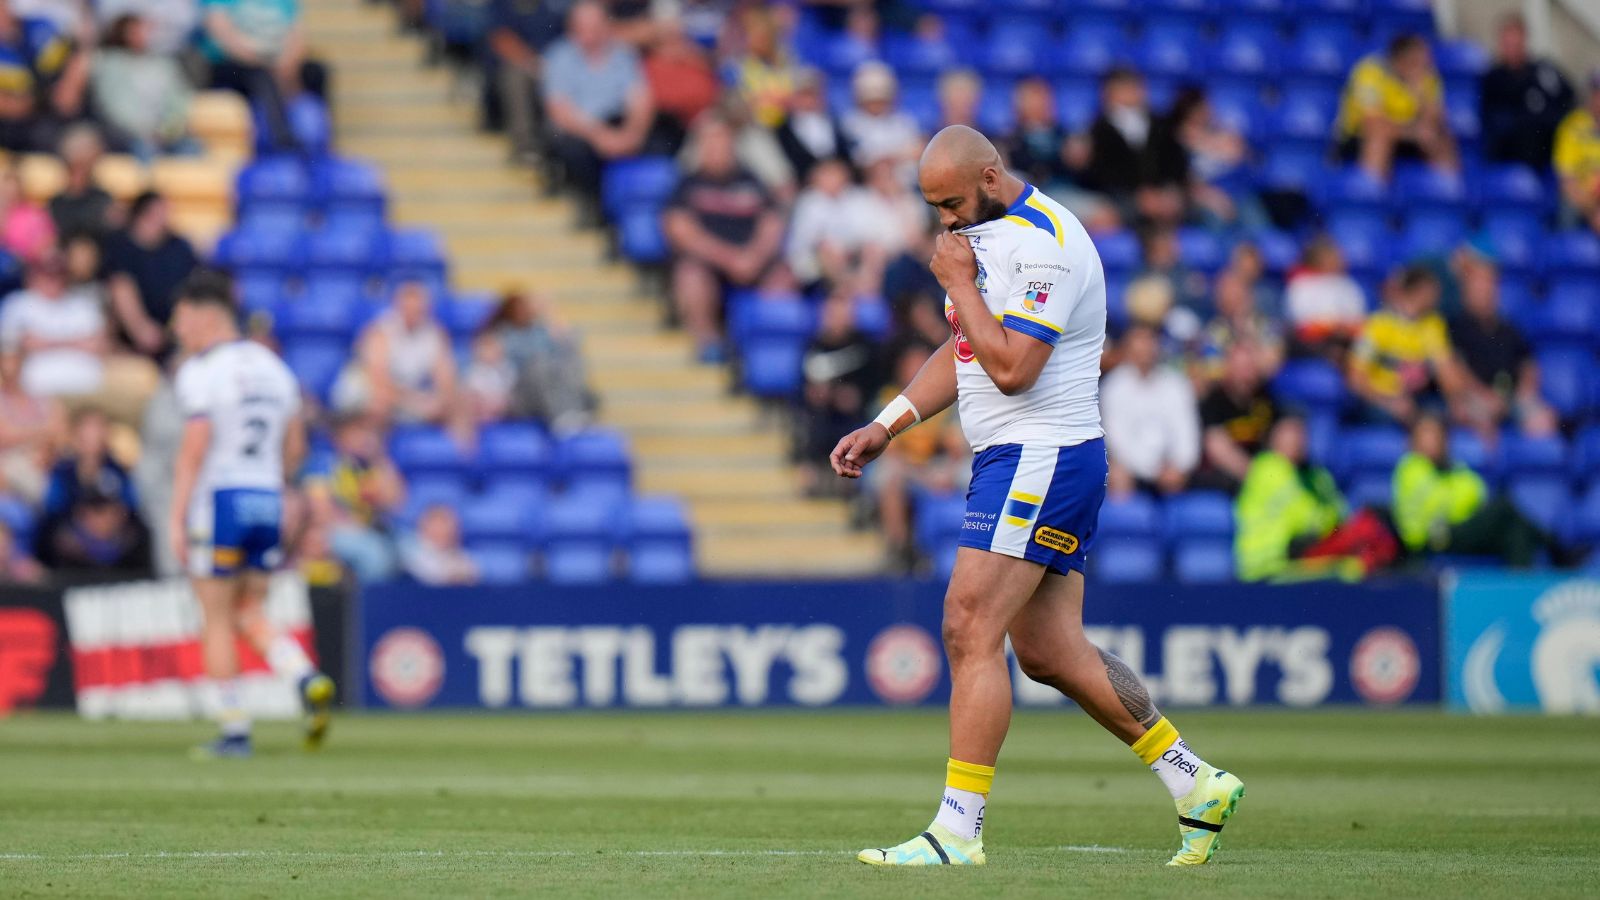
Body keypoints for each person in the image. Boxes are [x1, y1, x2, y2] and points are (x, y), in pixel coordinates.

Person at [830, 126, 1243, 868]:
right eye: (933, 208)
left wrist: (956, 283)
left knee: (967, 624)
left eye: (952, 202)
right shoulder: (984, 233)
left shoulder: (1047, 242)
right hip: (1029, 459)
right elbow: (965, 350)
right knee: (1051, 653)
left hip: (1040, 455)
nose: (945, 222)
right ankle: (1196, 783)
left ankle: (958, 831)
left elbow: (1015, 368)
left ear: (990, 175)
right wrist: (887, 424)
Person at [165, 270, 334, 759]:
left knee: (215, 614)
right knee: (247, 609)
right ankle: (304, 677)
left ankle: (234, 730)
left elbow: (195, 447)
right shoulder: (274, 367)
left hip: (219, 499)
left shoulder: (201, 370)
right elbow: (295, 445)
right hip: (266, 498)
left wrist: (176, 517)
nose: (179, 330)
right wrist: (272, 484)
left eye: (181, 319)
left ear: (203, 314)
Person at [662, 114, 787, 360]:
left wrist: (754, 257)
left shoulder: (752, 180)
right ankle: (708, 342)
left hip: (753, 261)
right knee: (690, 275)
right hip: (711, 263)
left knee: (783, 278)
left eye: (721, 142)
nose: (716, 149)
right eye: (710, 143)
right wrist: (730, 259)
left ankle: (764, 355)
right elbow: (679, 229)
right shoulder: (688, 184)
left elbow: (772, 223)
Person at [1392, 414, 1558, 567]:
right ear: (1414, 440)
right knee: (1503, 506)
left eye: (1436, 435)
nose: (1432, 440)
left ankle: (1521, 591)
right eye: (1425, 435)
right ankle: (1555, 546)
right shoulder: (1409, 467)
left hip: (1458, 529)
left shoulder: (1453, 467)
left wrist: (1454, 496)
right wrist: (1457, 497)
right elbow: (1443, 505)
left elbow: (1477, 491)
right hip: (1435, 538)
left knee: (1515, 533)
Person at [541, 0, 654, 209]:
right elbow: (560, 110)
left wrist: (633, 134)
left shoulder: (623, 54)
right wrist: (600, 136)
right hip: (581, 130)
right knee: (573, 148)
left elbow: (639, 98)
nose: (589, 34)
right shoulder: (559, 56)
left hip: (616, 125)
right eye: (583, 28)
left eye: (595, 27)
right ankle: (591, 205)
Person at [1448, 242, 1557, 437]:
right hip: (1476, 398)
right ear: (1467, 291)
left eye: (1491, 285)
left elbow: (1528, 365)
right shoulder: (1455, 326)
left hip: (1512, 398)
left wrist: (1524, 392)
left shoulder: (1509, 328)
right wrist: (1485, 396)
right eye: (1480, 285)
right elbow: (1455, 369)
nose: (1487, 291)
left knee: (1542, 420)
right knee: (1477, 420)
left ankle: (1532, 466)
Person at [1348, 265, 1470, 428]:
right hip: (1380, 400)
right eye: (1433, 290)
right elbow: (1356, 378)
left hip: (1418, 399)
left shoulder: (1433, 325)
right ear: (1419, 291)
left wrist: (1457, 400)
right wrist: (1389, 402)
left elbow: (1445, 369)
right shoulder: (1377, 325)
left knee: (1438, 416)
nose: (1439, 297)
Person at [201, 0, 327, 152]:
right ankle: (281, 140)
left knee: (316, 72)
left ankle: (321, 145)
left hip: (274, 61)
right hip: (233, 64)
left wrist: (285, 64)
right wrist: (261, 60)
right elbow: (221, 32)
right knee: (260, 76)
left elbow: (298, 36)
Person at [336, 281, 458, 426]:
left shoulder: (435, 334)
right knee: (380, 404)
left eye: (418, 309)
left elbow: (446, 379)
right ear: (398, 306)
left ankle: (461, 448)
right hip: (363, 394)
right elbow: (378, 381)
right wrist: (417, 402)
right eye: (408, 308)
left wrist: (440, 401)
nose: (413, 313)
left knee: (459, 403)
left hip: (407, 398)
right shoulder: (380, 332)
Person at [1099, 323, 1200, 497]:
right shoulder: (1114, 387)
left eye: (1149, 341)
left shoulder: (1176, 384)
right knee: (1117, 475)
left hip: (1176, 474)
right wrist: (1153, 470)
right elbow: (1117, 440)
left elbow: (1187, 432)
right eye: (1139, 342)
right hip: (1134, 471)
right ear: (1128, 348)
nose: (1145, 348)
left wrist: (1179, 466)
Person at [1336, 33, 1456, 179]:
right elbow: (1373, 122)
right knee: (1380, 137)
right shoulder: (1370, 73)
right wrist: (1413, 132)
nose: (1425, 65)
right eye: (1416, 61)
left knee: (1442, 139)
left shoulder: (1428, 76)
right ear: (1400, 60)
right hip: (1359, 138)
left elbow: (1437, 119)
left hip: (1409, 136)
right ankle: (1372, 194)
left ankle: (1446, 194)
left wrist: (1421, 98)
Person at [102, 191, 201, 360]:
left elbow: (195, 284)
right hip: (129, 338)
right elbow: (120, 287)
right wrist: (140, 327)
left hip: (174, 333)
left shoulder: (179, 247)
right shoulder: (121, 247)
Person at [478, 289, 592, 433]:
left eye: (526, 306)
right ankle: (563, 418)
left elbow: (568, 345)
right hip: (518, 395)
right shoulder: (502, 334)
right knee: (539, 366)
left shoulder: (540, 331)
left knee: (566, 364)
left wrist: (549, 311)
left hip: (546, 389)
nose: (524, 311)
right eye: (520, 307)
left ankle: (572, 414)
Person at [799, 290, 877, 495]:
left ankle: (848, 482)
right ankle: (812, 477)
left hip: (858, 416)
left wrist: (855, 397)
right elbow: (803, 387)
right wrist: (821, 395)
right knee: (812, 424)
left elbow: (875, 385)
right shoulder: (812, 346)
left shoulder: (867, 347)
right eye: (832, 313)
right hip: (821, 416)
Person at [91, 13, 196, 160]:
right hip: (128, 136)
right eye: (136, 31)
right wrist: (144, 132)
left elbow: (180, 101)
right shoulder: (110, 65)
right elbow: (113, 109)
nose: (143, 34)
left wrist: (167, 130)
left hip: (165, 134)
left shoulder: (165, 65)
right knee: (146, 150)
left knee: (191, 148)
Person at [1480, 13, 1574, 171]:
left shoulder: (1544, 71)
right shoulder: (1493, 79)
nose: (1512, 49)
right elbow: (1491, 121)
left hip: (1548, 151)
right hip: (1511, 154)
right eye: (1507, 43)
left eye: (1516, 42)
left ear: (1525, 40)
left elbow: (1567, 100)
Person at [487, 0, 574, 165]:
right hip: (525, 64)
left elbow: (577, 30)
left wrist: (557, 65)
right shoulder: (504, 4)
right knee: (515, 77)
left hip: (562, 62)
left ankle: (559, 150)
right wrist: (533, 63)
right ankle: (524, 146)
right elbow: (500, 37)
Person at [0, 0, 90, 153]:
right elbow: (9, 105)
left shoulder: (40, 25)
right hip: (21, 126)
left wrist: (70, 86)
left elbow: (76, 55)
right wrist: (36, 102)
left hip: (65, 107)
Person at [785, 157, 884, 294]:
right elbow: (805, 243)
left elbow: (869, 234)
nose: (832, 179)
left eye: (835, 173)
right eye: (827, 174)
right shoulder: (809, 202)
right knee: (828, 249)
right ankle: (843, 292)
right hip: (813, 262)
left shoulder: (858, 197)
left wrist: (850, 249)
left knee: (873, 249)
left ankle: (867, 290)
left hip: (853, 257)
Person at [1197, 341, 1277, 494]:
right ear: (1228, 368)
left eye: (1250, 368)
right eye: (1240, 368)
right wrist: (1259, 478)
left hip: (1264, 477)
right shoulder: (1213, 401)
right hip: (1225, 481)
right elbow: (1216, 447)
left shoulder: (1267, 398)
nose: (1245, 375)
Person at [1284, 235, 1366, 362]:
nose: (1337, 259)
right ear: (1317, 258)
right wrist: (1330, 327)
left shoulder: (1348, 285)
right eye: (1330, 255)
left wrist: (1343, 328)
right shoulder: (1301, 284)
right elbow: (1300, 322)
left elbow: (1357, 319)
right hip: (1312, 342)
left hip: (1344, 341)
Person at [0, 349, 62, 503]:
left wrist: (46, 450)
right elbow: (5, 436)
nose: (10, 368)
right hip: (11, 462)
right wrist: (43, 430)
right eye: (5, 363)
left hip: (45, 458)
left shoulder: (40, 398)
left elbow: (60, 430)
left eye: (13, 362)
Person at [839, 61, 921, 175]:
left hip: (902, 183)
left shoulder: (903, 122)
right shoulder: (849, 123)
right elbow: (854, 159)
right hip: (864, 185)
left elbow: (916, 153)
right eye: (871, 100)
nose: (876, 105)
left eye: (881, 100)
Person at [773, 67, 848, 184]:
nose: (809, 100)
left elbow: (845, 156)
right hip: (804, 187)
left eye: (813, 94)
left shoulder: (835, 123)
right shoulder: (782, 130)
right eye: (804, 94)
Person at [47, 124, 116, 238]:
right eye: (75, 166)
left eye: (84, 166)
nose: (80, 172)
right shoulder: (56, 202)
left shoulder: (102, 199)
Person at [1553, 70, 1600, 232]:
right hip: (1581, 198)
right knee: (1568, 208)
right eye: (1597, 93)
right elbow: (1566, 183)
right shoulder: (1572, 126)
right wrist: (1593, 212)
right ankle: (1567, 255)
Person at [400, 503, 480, 586]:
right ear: (424, 525)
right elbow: (425, 576)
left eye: (449, 523)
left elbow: (471, 579)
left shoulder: (462, 557)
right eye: (440, 522)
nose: (447, 529)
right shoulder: (409, 553)